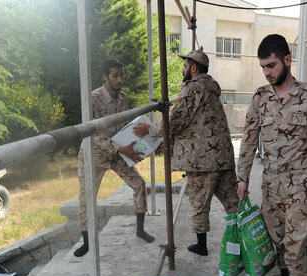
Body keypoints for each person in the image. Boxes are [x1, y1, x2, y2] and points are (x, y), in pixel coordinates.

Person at [237, 34, 307, 276]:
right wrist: (242, 178)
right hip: (271, 185)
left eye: (272, 65)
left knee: (296, 245)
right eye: (263, 66)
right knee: (278, 243)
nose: (267, 72)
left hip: (303, 186)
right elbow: (248, 140)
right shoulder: (260, 98)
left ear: (288, 61)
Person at [133, 50, 239, 256]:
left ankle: (201, 246)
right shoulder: (211, 88)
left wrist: (151, 130)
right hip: (222, 156)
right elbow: (195, 124)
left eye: (184, 66)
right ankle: (247, 242)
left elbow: (176, 121)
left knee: (199, 204)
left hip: (202, 160)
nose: (182, 69)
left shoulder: (192, 89)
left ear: (193, 68)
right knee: (233, 203)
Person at [75, 58, 154, 257]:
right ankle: (86, 242)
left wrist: (137, 148)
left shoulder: (123, 98)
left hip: (118, 152)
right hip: (93, 154)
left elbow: (125, 127)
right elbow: (91, 132)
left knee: (139, 184)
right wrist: (120, 149)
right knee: (87, 198)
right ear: (105, 77)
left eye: (121, 75)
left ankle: (140, 229)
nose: (120, 80)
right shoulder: (92, 98)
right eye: (115, 76)